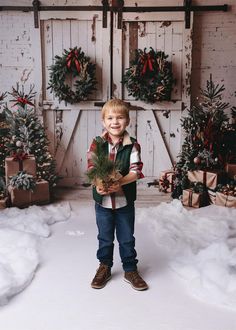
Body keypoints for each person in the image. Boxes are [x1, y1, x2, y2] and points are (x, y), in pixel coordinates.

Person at [87, 99, 148, 291]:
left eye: (120, 117)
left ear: (127, 121)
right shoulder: (97, 144)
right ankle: (104, 266)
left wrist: (118, 182)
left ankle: (130, 268)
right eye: (110, 118)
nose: (115, 122)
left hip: (124, 203)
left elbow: (135, 171)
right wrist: (98, 184)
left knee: (126, 237)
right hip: (103, 203)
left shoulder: (132, 146)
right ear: (104, 121)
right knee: (104, 237)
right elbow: (92, 167)